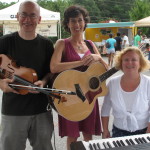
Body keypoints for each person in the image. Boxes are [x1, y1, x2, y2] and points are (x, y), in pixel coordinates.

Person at [50, 5, 108, 150]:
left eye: (80, 20)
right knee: (73, 137)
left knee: (88, 135)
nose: (77, 24)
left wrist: (98, 58)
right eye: (73, 21)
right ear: (67, 24)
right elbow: (54, 67)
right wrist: (80, 62)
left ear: (85, 22)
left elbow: (105, 70)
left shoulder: (90, 44)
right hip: (70, 96)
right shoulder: (62, 43)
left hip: (89, 95)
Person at [0, 1, 54, 150]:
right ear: (17, 16)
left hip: (41, 110)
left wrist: (43, 81)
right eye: (24, 14)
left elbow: (50, 72)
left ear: (39, 19)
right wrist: (1, 84)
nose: (28, 20)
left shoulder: (47, 44)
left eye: (32, 15)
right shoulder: (5, 42)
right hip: (13, 111)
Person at [101, 47, 150, 138]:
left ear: (140, 63)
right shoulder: (112, 83)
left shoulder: (148, 83)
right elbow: (105, 109)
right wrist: (105, 130)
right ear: (121, 63)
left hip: (145, 131)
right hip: (118, 132)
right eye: (126, 60)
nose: (129, 63)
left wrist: (149, 132)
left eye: (134, 60)